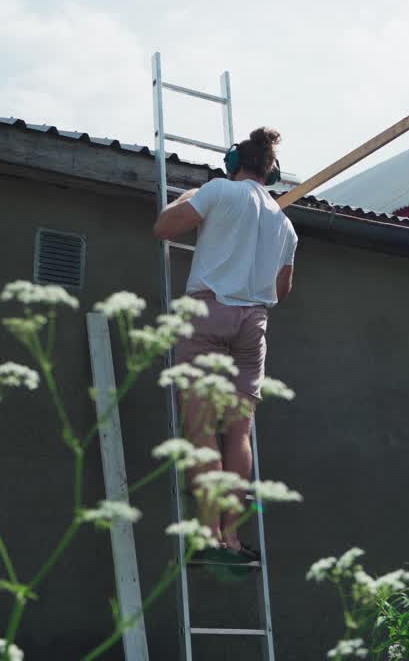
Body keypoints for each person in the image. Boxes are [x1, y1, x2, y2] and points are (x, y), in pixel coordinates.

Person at [152, 126, 297, 561]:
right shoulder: (284, 224)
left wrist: (185, 197)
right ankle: (232, 537)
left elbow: (163, 227)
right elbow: (282, 290)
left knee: (200, 430)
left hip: (209, 316)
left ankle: (209, 534)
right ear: (270, 175)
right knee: (239, 435)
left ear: (234, 164)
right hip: (253, 328)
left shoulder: (217, 192)